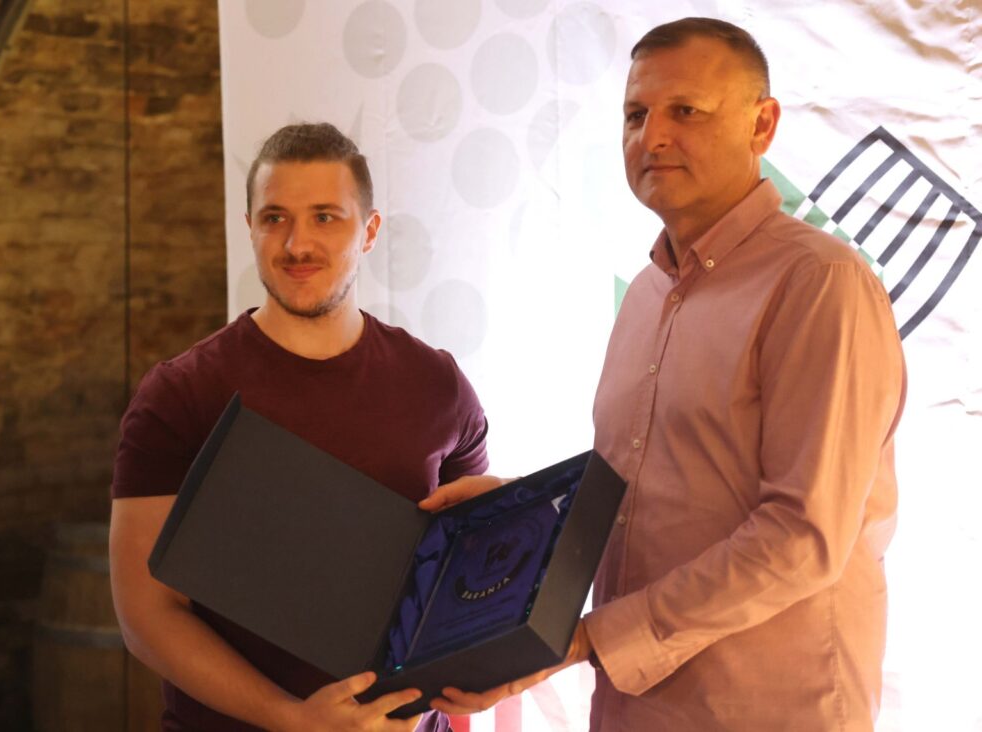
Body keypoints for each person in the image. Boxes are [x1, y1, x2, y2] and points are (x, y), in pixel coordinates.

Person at [426, 17, 906, 731]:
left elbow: (801, 539)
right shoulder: (647, 295)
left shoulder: (818, 283)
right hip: (633, 708)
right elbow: (641, 496)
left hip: (769, 710)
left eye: (686, 111)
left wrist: (585, 640)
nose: (652, 137)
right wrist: (520, 514)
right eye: (635, 115)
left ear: (762, 125)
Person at [109, 122, 495, 732]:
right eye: (275, 218)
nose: (297, 244)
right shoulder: (181, 395)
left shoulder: (438, 385)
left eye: (325, 217)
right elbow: (146, 614)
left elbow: (463, 585)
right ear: (250, 227)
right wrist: (293, 718)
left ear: (369, 231)